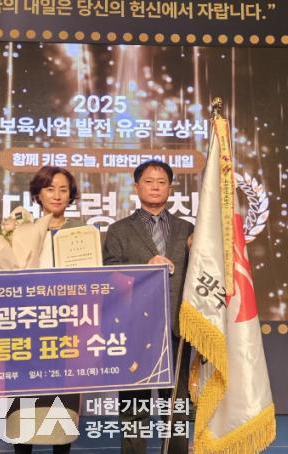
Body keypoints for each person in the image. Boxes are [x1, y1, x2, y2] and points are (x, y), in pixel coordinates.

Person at [103, 160, 193, 454]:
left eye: (162, 182)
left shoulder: (187, 229)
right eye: (149, 181)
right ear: (136, 187)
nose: (156, 187)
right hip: (134, 329)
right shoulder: (119, 230)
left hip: (176, 328)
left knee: (176, 406)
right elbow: (110, 274)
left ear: (170, 188)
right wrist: (145, 266)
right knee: (134, 406)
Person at [7, 165, 83, 454]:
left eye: (63, 190)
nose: (57, 195)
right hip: (26, 329)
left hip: (68, 329)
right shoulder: (21, 231)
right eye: (50, 189)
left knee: (63, 404)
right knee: (24, 401)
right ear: (38, 194)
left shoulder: (82, 231)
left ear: (71, 195)